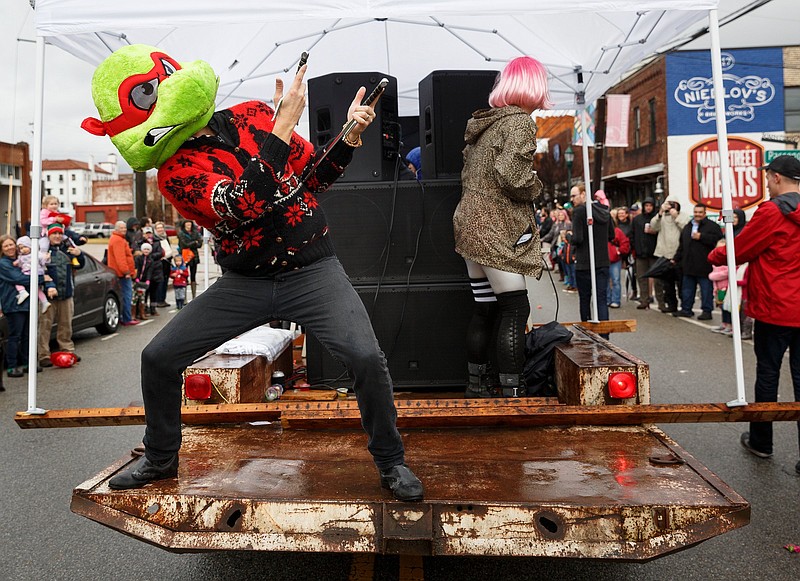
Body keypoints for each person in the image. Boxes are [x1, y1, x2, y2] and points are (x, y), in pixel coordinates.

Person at [82, 44, 423, 500]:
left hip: (312, 270)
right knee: (158, 358)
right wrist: (282, 128)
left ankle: (390, 462)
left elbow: (314, 178)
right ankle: (160, 458)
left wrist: (349, 135)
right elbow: (241, 205)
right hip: (246, 283)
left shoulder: (251, 115)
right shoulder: (175, 171)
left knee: (365, 358)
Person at [452, 55, 551, 399]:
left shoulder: (486, 124)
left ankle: (477, 385)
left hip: (469, 223)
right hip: (494, 225)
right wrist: (537, 188)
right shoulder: (519, 122)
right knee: (515, 306)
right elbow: (513, 175)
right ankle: (513, 389)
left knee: (486, 306)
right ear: (534, 86)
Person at [708, 155, 800, 474]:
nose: (765, 183)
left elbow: (742, 249)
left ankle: (762, 441)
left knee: (768, 374)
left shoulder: (772, 211)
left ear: (776, 177)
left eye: (767, 177)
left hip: (777, 307)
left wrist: (716, 253)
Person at [37, 223, 85, 368]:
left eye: (59, 233)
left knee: (66, 325)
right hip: (48, 296)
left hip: (67, 294)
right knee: (45, 326)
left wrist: (79, 254)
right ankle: (43, 355)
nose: (57, 236)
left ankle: (67, 350)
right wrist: (47, 286)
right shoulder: (42, 251)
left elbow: (79, 265)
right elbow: (39, 272)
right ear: (48, 235)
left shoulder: (68, 249)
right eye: (54, 234)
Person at [569, 184, 615, 327]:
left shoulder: (579, 211)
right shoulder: (604, 210)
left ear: (584, 194)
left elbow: (578, 238)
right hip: (601, 261)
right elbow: (611, 235)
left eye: (574, 195)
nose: (572, 200)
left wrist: (568, 237)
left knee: (585, 298)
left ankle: (586, 333)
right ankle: (604, 333)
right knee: (601, 299)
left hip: (584, 262)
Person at [672, 203, 722, 320]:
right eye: (695, 212)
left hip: (704, 265)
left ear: (705, 213)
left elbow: (718, 241)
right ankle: (686, 309)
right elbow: (682, 245)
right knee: (687, 290)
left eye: (700, 212)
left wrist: (702, 236)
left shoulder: (712, 226)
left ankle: (707, 311)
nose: (697, 215)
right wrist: (676, 258)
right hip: (688, 265)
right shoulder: (688, 226)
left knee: (706, 291)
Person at [0, 235, 39, 377]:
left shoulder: (21, 260)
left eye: (11, 244)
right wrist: (40, 277)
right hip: (13, 304)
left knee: (27, 335)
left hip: (27, 302)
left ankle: (28, 363)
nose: (10, 248)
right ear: (2, 249)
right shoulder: (4, 264)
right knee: (14, 336)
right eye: (6, 246)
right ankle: (11, 366)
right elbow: (19, 278)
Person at [650, 199, 689, 313]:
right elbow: (654, 226)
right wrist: (660, 212)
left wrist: (676, 217)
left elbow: (686, 229)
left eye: (673, 204)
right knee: (667, 284)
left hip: (679, 255)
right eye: (669, 203)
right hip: (664, 254)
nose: (671, 206)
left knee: (681, 282)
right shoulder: (662, 217)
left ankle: (685, 306)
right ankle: (671, 305)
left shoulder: (683, 216)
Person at [107, 221, 139, 326]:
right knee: (127, 295)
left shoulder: (118, 239)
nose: (124, 230)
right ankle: (126, 318)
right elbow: (120, 258)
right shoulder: (118, 240)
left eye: (124, 228)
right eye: (121, 228)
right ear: (116, 229)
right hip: (122, 274)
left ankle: (124, 317)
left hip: (119, 272)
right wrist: (126, 272)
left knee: (124, 295)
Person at [630, 198, 658, 309]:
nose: (648, 208)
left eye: (650, 205)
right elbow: (632, 234)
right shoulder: (637, 220)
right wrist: (635, 248)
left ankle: (660, 301)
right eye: (646, 205)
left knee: (657, 278)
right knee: (641, 278)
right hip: (640, 253)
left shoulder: (656, 219)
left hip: (654, 253)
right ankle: (644, 300)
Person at [13, 236, 50, 314]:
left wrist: (46, 258)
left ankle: (22, 292)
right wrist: (16, 263)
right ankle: (45, 301)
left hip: (33, 272)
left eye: (25, 247)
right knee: (37, 290)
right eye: (21, 248)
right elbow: (19, 263)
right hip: (28, 271)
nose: (23, 249)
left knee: (18, 282)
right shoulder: (21, 256)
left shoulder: (36, 254)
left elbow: (43, 261)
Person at [140, 227, 164, 316]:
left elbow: (160, 253)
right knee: (145, 291)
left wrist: (151, 255)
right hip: (145, 270)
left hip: (156, 269)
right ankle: (144, 308)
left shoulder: (157, 242)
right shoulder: (140, 242)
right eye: (147, 233)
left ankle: (153, 308)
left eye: (150, 233)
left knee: (154, 291)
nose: (148, 235)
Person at [177, 219, 202, 301]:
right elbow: (184, 245)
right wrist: (194, 242)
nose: (188, 226)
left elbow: (200, 243)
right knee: (184, 276)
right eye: (187, 225)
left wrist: (194, 243)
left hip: (194, 256)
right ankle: (184, 298)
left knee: (193, 276)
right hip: (185, 256)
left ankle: (193, 296)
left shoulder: (195, 232)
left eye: (190, 224)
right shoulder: (181, 233)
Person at [153, 221, 173, 307]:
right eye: (158, 228)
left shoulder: (165, 237)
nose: (160, 229)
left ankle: (163, 299)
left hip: (167, 262)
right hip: (159, 263)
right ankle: (159, 300)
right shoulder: (155, 239)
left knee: (165, 281)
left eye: (161, 228)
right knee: (160, 282)